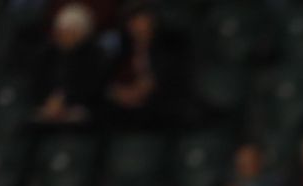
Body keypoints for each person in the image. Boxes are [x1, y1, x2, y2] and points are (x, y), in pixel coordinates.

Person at [102, 1, 189, 132]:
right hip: (123, 107)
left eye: (143, 22)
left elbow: (168, 80)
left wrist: (145, 89)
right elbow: (107, 81)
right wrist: (117, 93)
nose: (139, 28)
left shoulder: (169, 48)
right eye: (134, 23)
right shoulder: (121, 50)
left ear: (153, 23)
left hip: (159, 107)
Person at [31, 3, 108, 128]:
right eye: (61, 32)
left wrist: (66, 102)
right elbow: (36, 83)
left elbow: (92, 88)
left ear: (83, 34)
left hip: (80, 109)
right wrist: (49, 101)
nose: (64, 37)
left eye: (70, 33)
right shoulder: (46, 55)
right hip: (47, 107)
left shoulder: (95, 56)